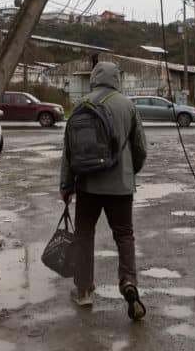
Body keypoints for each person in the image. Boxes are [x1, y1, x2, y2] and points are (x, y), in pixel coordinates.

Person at [59, 61, 148, 319]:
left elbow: (69, 151)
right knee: (124, 235)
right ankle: (129, 283)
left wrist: (66, 186)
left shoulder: (81, 104)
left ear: (94, 78)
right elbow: (140, 148)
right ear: (117, 79)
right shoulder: (127, 105)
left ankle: (84, 291)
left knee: (85, 235)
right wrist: (130, 172)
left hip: (87, 184)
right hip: (121, 186)